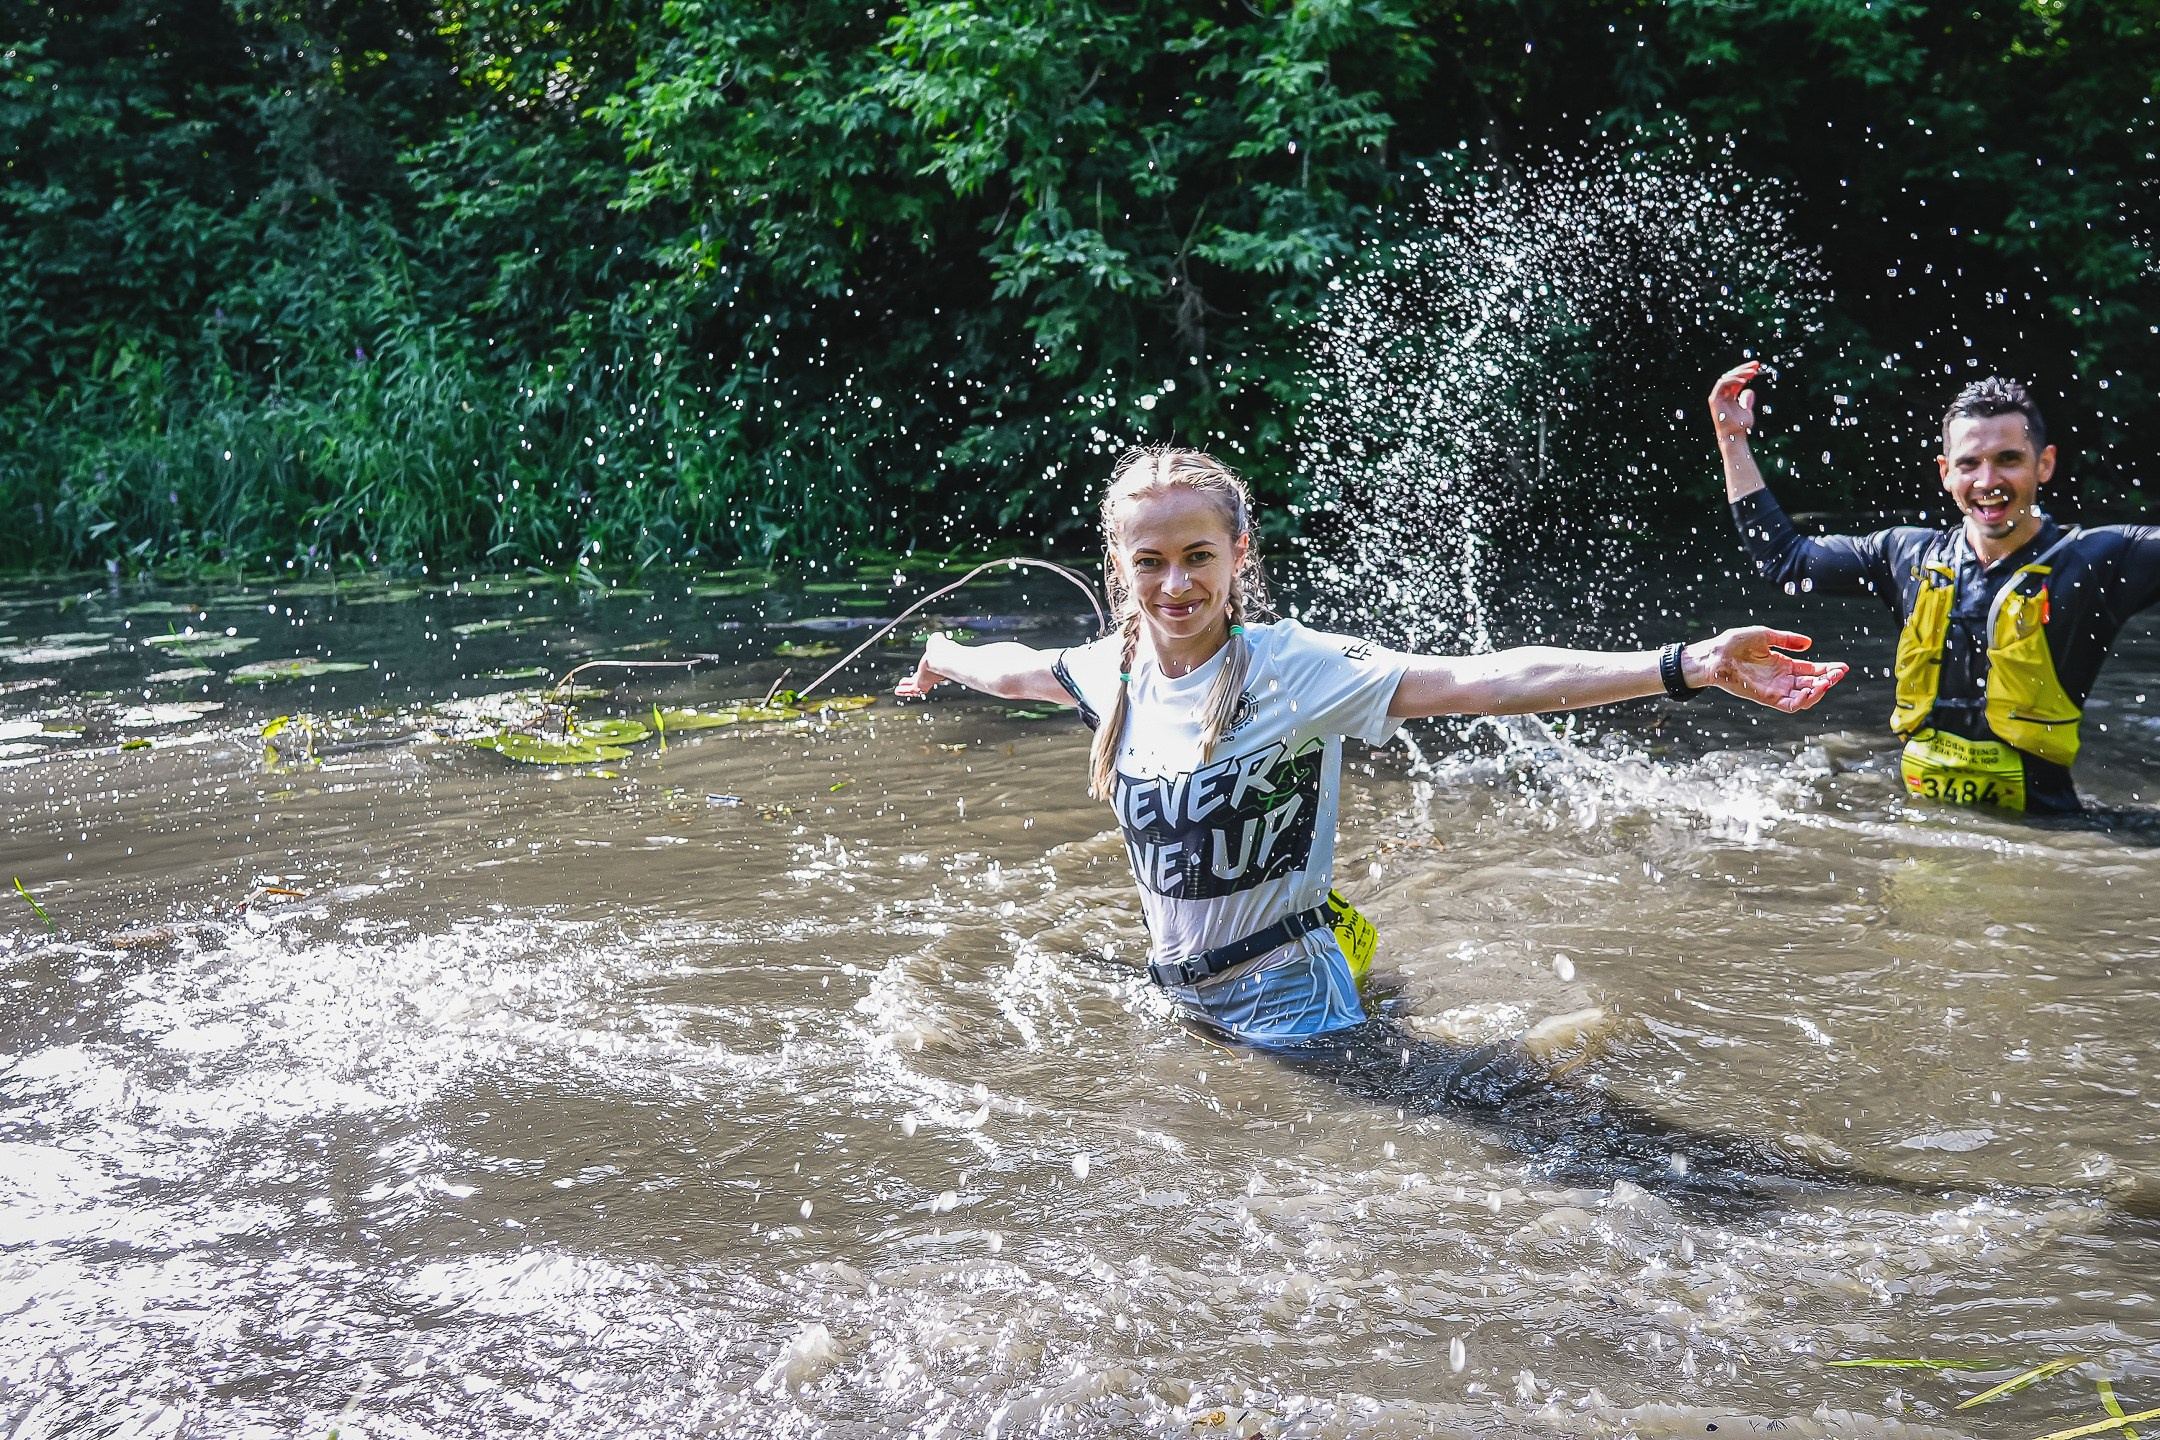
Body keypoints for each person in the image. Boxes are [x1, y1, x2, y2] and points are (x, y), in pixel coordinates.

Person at [898, 445, 1845, 1051]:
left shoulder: (1295, 669)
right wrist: (942, 653)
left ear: (1238, 560)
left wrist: (1685, 664)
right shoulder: (1109, 671)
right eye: (1151, 561)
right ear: (1120, 566)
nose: (1175, 583)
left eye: (1198, 557)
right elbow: (1018, 668)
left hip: (1294, 1004)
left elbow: (1487, 680)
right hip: (1179, 1000)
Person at [1709, 362, 2160, 814]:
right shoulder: (1906, 556)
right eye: (1969, 464)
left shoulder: (2098, 561)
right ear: (1946, 472)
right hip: (1919, 824)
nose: (1987, 482)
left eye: (2008, 459)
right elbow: (1787, 560)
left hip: (2050, 834)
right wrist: (1732, 439)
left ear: (2044, 464)